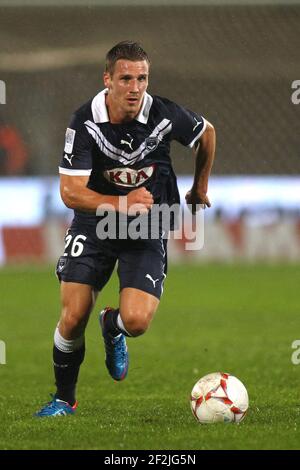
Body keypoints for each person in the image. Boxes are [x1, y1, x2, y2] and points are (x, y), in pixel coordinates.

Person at [35, 41, 216, 417]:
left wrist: (200, 187)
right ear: (108, 80)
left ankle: (112, 325)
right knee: (72, 317)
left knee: (136, 321)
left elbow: (207, 133)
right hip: (96, 221)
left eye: (142, 78)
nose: (135, 88)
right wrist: (121, 203)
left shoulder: (163, 113)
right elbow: (70, 193)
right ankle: (63, 400)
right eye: (126, 78)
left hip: (148, 224)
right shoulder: (84, 121)